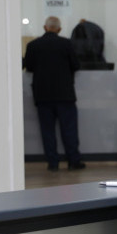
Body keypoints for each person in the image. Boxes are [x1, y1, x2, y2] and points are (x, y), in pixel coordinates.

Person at [23, 16, 86, 171]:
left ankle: (53, 163)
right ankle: (73, 161)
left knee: (47, 131)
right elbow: (76, 65)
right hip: (65, 95)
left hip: (42, 95)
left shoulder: (33, 45)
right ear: (59, 29)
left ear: (45, 27)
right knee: (69, 130)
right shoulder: (66, 44)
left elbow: (28, 67)